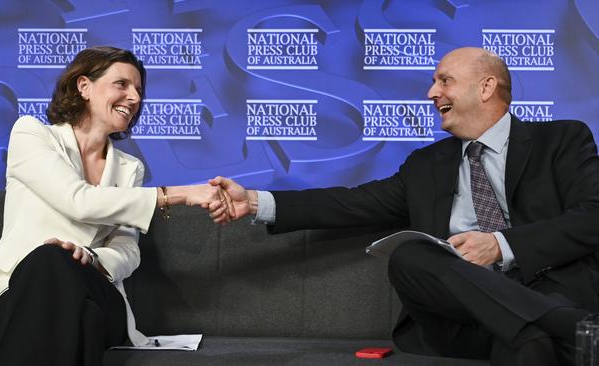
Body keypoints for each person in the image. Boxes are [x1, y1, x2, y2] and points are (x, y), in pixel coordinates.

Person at [207, 47, 599, 365]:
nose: (432, 93)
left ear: (486, 87)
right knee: (410, 255)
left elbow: (593, 217)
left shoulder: (561, 140)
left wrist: (500, 244)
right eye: (433, 83)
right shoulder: (425, 166)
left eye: (444, 80)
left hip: (546, 288)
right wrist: (256, 202)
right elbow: (352, 203)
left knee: (524, 341)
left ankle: (541, 325)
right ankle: (570, 326)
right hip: (463, 309)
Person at [0, 46, 230, 366]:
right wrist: (175, 195)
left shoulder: (130, 168)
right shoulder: (31, 134)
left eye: (138, 90)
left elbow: (128, 250)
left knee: (63, 270)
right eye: (122, 84)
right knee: (73, 300)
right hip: (14, 296)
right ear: (84, 86)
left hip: (95, 287)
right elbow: (77, 200)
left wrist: (90, 257)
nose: (135, 98)